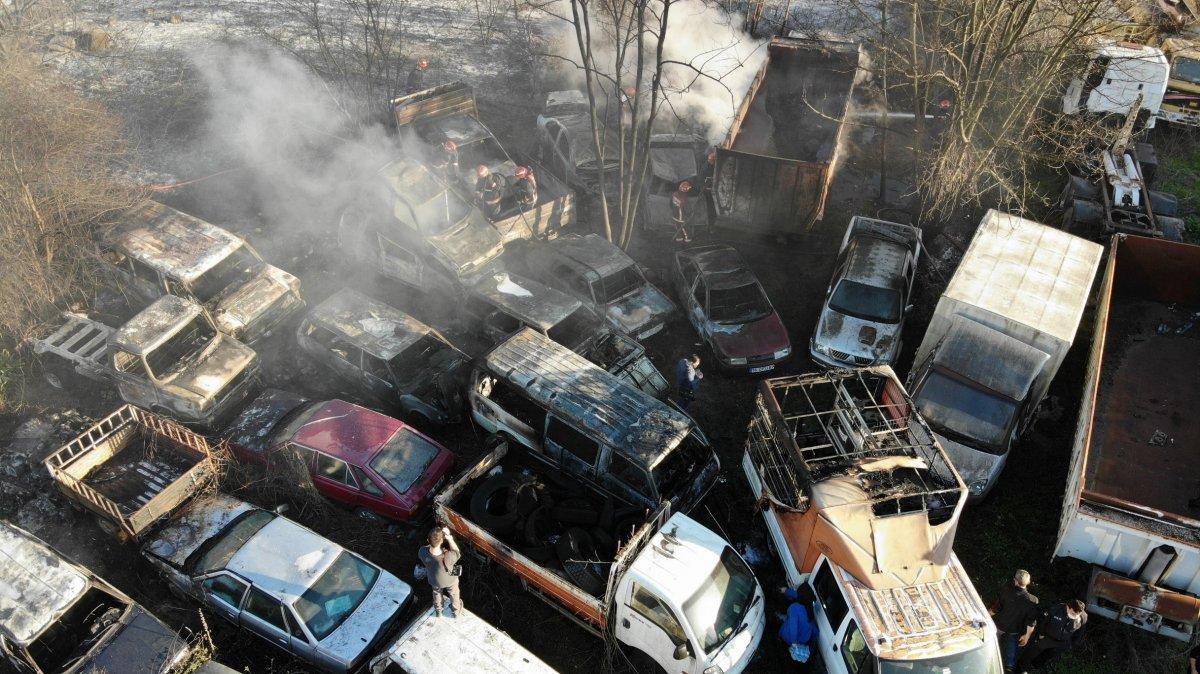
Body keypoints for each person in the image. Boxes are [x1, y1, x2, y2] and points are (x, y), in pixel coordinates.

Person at [1017, 599, 1087, 673]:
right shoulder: (1056, 608)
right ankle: (1020, 668)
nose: (1075, 616)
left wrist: (1071, 644)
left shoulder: (1083, 617)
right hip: (1046, 637)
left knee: (1047, 656)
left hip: (1061, 643)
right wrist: (1041, 633)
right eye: (1073, 613)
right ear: (1068, 607)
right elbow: (1044, 621)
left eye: (1077, 615)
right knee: (1031, 653)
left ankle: (1034, 666)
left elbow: (1080, 632)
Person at [990, 570, 1039, 673]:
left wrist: (984, 616)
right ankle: (1008, 668)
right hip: (1015, 629)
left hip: (999, 625)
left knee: (991, 645)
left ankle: (988, 661)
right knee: (1010, 654)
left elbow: (995, 609)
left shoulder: (1006, 591)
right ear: (1028, 582)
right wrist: (1027, 636)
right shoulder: (1033, 600)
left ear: (1015, 581)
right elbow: (1031, 622)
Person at [418, 526, 463, 618]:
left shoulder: (422, 551)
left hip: (434, 580)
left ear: (428, 540)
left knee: (437, 593)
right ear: (442, 541)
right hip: (450, 580)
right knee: (454, 594)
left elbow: (429, 546)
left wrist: (433, 541)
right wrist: (449, 538)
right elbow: (457, 552)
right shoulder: (448, 556)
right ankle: (456, 612)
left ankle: (439, 612)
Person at [779, 586, 815, 665]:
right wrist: (786, 591)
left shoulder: (795, 607)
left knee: (784, 626)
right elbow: (799, 595)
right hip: (804, 639)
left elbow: (793, 626)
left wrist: (794, 643)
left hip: (789, 638)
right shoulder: (811, 606)